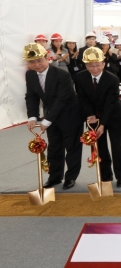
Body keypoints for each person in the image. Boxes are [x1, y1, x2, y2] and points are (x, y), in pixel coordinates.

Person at [23, 43, 83, 190]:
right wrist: (32, 117)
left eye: (39, 60)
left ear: (47, 58)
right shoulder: (30, 75)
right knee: (54, 148)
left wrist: (47, 120)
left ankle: (71, 177)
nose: (36, 65)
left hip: (70, 114)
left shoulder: (62, 74)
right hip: (51, 114)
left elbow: (62, 99)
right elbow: (31, 96)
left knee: (72, 147)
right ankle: (55, 177)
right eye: (32, 62)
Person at [74, 47, 121, 187]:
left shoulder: (113, 79)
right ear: (86, 65)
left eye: (98, 64)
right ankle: (106, 176)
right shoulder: (80, 77)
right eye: (91, 65)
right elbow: (82, 98)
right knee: (100, 147)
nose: (95, 68)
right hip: (94, 117)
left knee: (117, 146)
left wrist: (102, 124)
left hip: (113, 116)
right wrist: (90, 115)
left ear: (103, 64)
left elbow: (110, 103)